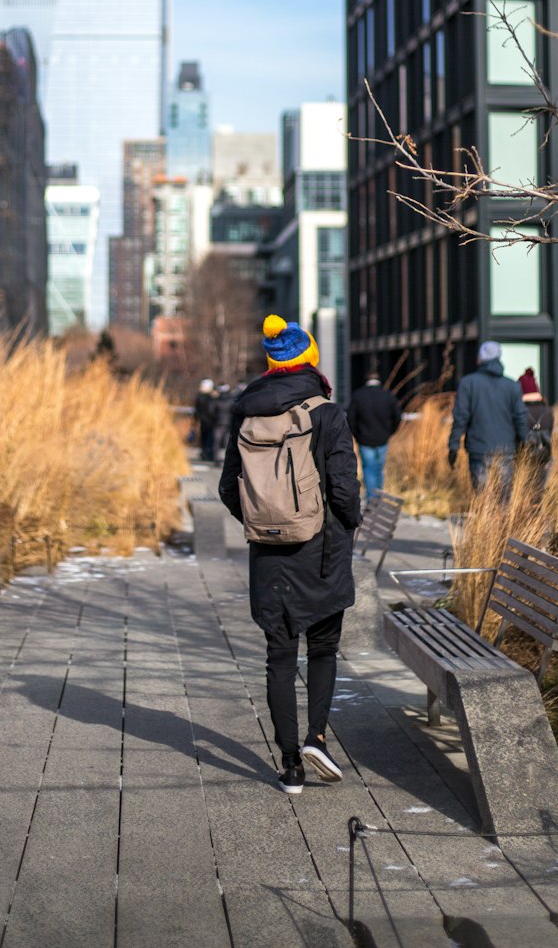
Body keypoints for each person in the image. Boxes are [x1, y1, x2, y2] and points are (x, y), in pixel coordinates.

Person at [219, 315, 361, 796]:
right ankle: (316, 738)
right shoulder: (328, 413)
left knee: (279, 659)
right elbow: (343, 488)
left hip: (269, 558)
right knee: (322, 649)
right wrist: (349, 527)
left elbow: (226, 488)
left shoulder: (246, 413)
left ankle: (289, 766)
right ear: (311, 359)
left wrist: (262, 524)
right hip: (321, 550)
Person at [448, 341, 529, 497]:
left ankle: (485, 521)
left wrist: (453, 446)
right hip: (506, 449)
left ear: (480, 359)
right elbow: (520, 417)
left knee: (482, 498)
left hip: (479, 449)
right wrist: (526, 442)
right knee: (503, 499)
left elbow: (460, 418)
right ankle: (502, 522)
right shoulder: (512, 386)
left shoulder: (468, 383)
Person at [346, 370, 402, 502]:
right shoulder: (388, 396)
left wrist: (357, 435)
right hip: (383, 438)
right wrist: (390, 432)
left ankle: (372, 498)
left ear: (366, 380)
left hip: (364, 439)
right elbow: (398, 417)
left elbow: (350, 419)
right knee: (379, 468)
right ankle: (378, 495)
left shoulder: (358, 396)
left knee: (368, 468)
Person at [518, 367, 554, 480]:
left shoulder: (520, 412)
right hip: (544, 457)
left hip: (522, 459)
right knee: (539, 490)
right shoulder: (548, 411)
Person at [193, 378, 218, 462]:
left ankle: (205, 453)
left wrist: (196, 420)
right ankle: (207, 453)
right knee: (209, 438)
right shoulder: (213, 396)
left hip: (205, 420)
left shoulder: (201, 396)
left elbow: (197, 410)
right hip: (209, 420)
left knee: (205, 438)